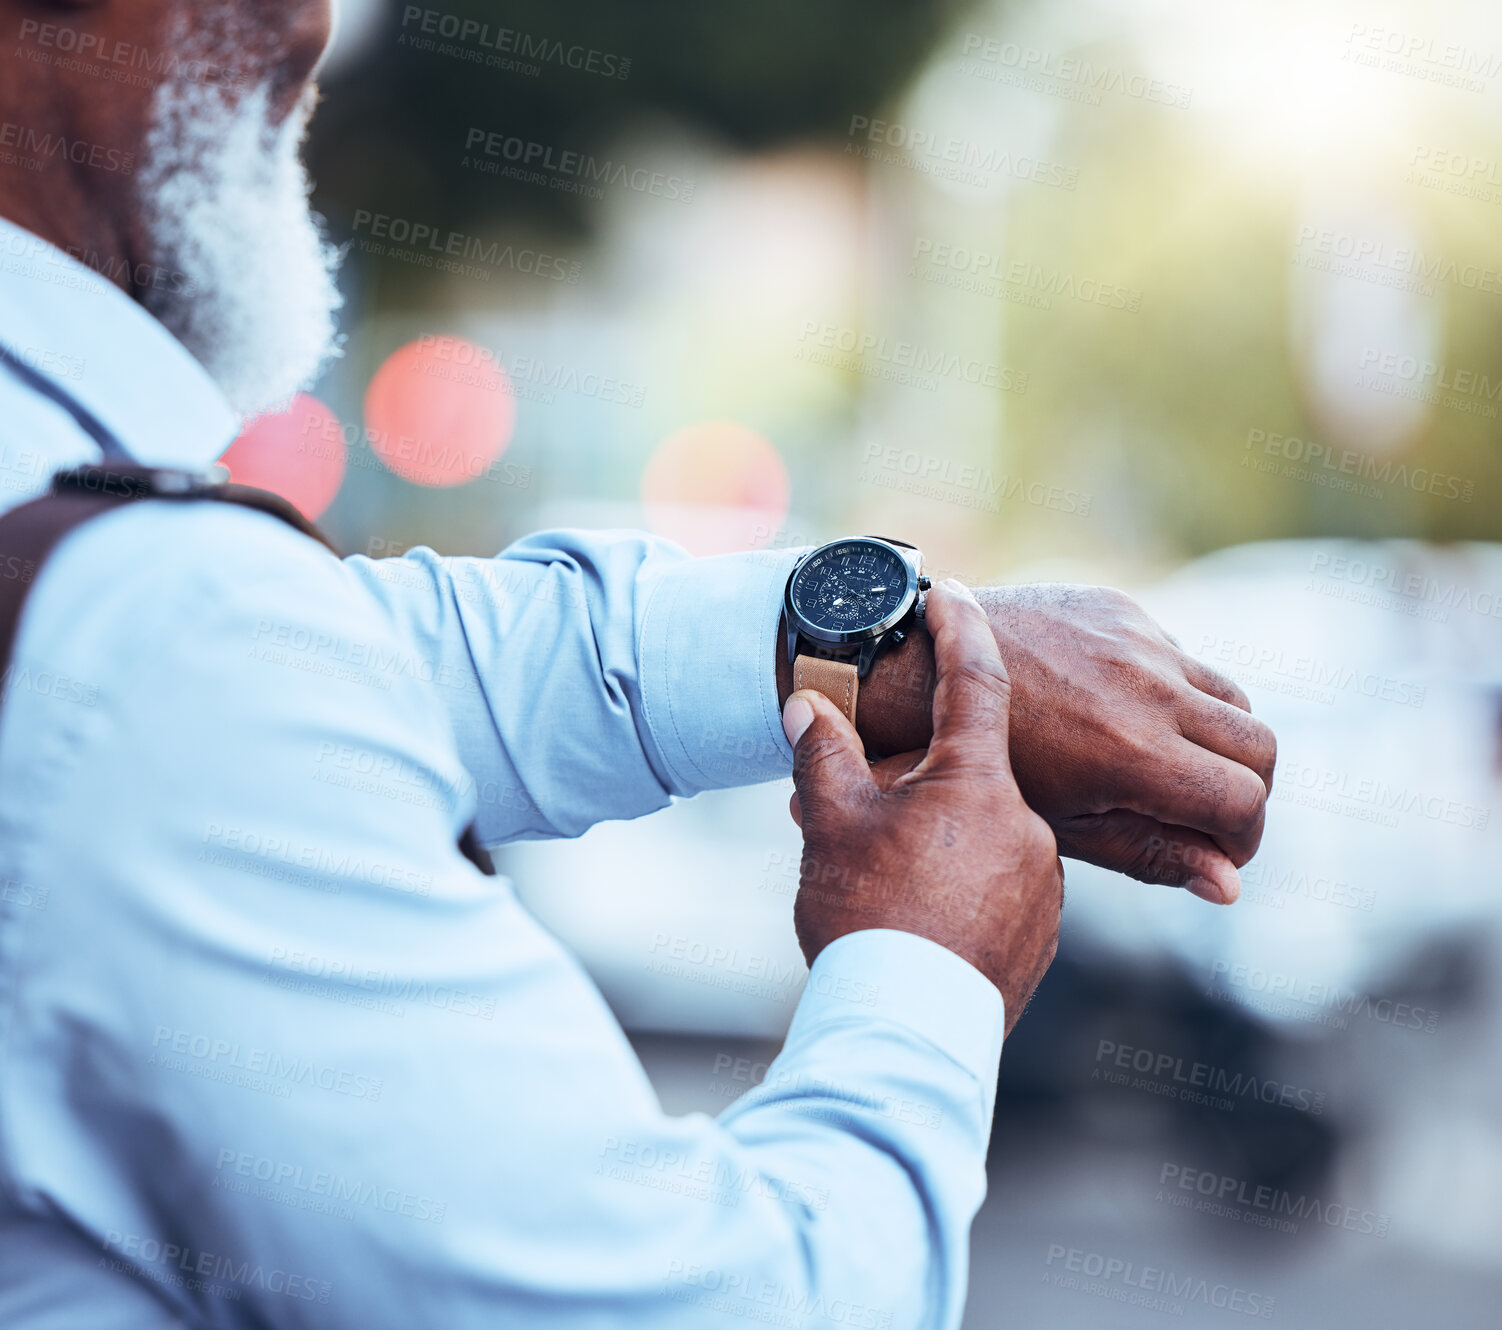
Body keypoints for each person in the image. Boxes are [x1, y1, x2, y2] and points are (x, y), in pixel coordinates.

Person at [0, 2, 1275, 1325]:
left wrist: (896, 646)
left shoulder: (114, 590)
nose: (314, 27)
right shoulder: (147, 630)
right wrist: (923, 969)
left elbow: (366, 656)